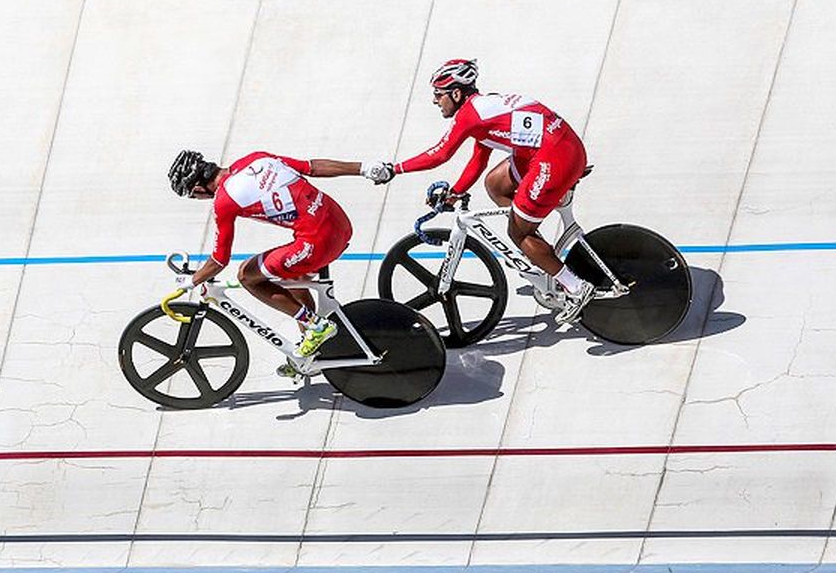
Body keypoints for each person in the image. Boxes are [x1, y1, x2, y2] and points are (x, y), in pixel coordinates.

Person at [360, 59, 595, 323]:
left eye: (438, 95)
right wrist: (457, 191)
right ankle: (541, 253)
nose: (435, 101)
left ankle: (576, 287)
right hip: (557, 147)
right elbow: (479, 160)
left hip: (554, 158)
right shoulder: (483, 107)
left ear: (456, 93)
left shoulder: (469, 116)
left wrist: (395, 168)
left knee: (517, 233)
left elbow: (440, 154)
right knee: (496, 184)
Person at [168, 149, 364, 378]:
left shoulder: (224, 202)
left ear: (199, 188)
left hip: (318, 241)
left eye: (193, 196)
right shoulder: (254, 158)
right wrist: (363, 168)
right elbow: (311, 166)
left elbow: (220, 260)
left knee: (246, 275)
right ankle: (308, 355)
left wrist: (191, 280)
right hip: (339, 221)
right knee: (293, 277)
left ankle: (315, 325)